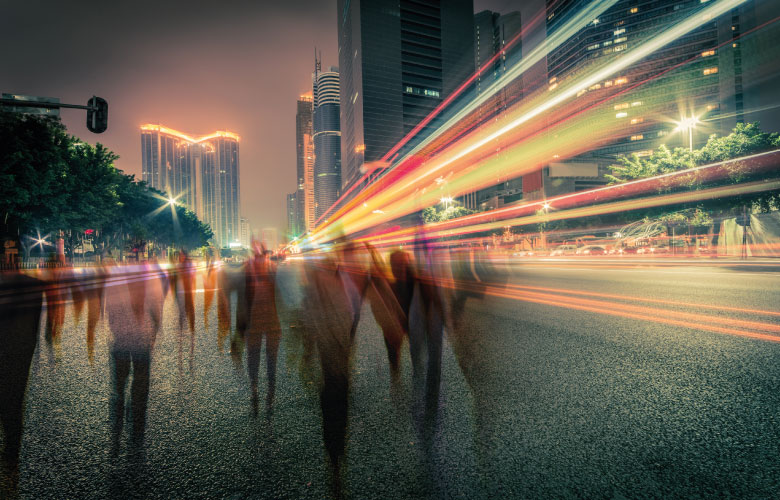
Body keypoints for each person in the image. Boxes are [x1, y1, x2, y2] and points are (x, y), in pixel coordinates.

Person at [105, 259, 165, 449]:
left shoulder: (116, 278)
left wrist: (117, 330)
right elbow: (157, 310)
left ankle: (120, 425)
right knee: (137, 381)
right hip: (137, 338)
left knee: (123, 383)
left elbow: (110, 311)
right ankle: (134, 424)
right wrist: (153, 333)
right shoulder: (151, 279)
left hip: (125, 339)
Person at [237, 243, 281, 417]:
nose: (258, 259)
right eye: (256, 256)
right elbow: (241, 300)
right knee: (253, 356)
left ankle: (270, 387)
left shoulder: (273, 271)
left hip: (271, 321)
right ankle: (255, 386)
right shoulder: (248, 272)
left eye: (260, 256)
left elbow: (282, 296)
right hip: (254, 321)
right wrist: (240, 327)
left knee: (271, 357)